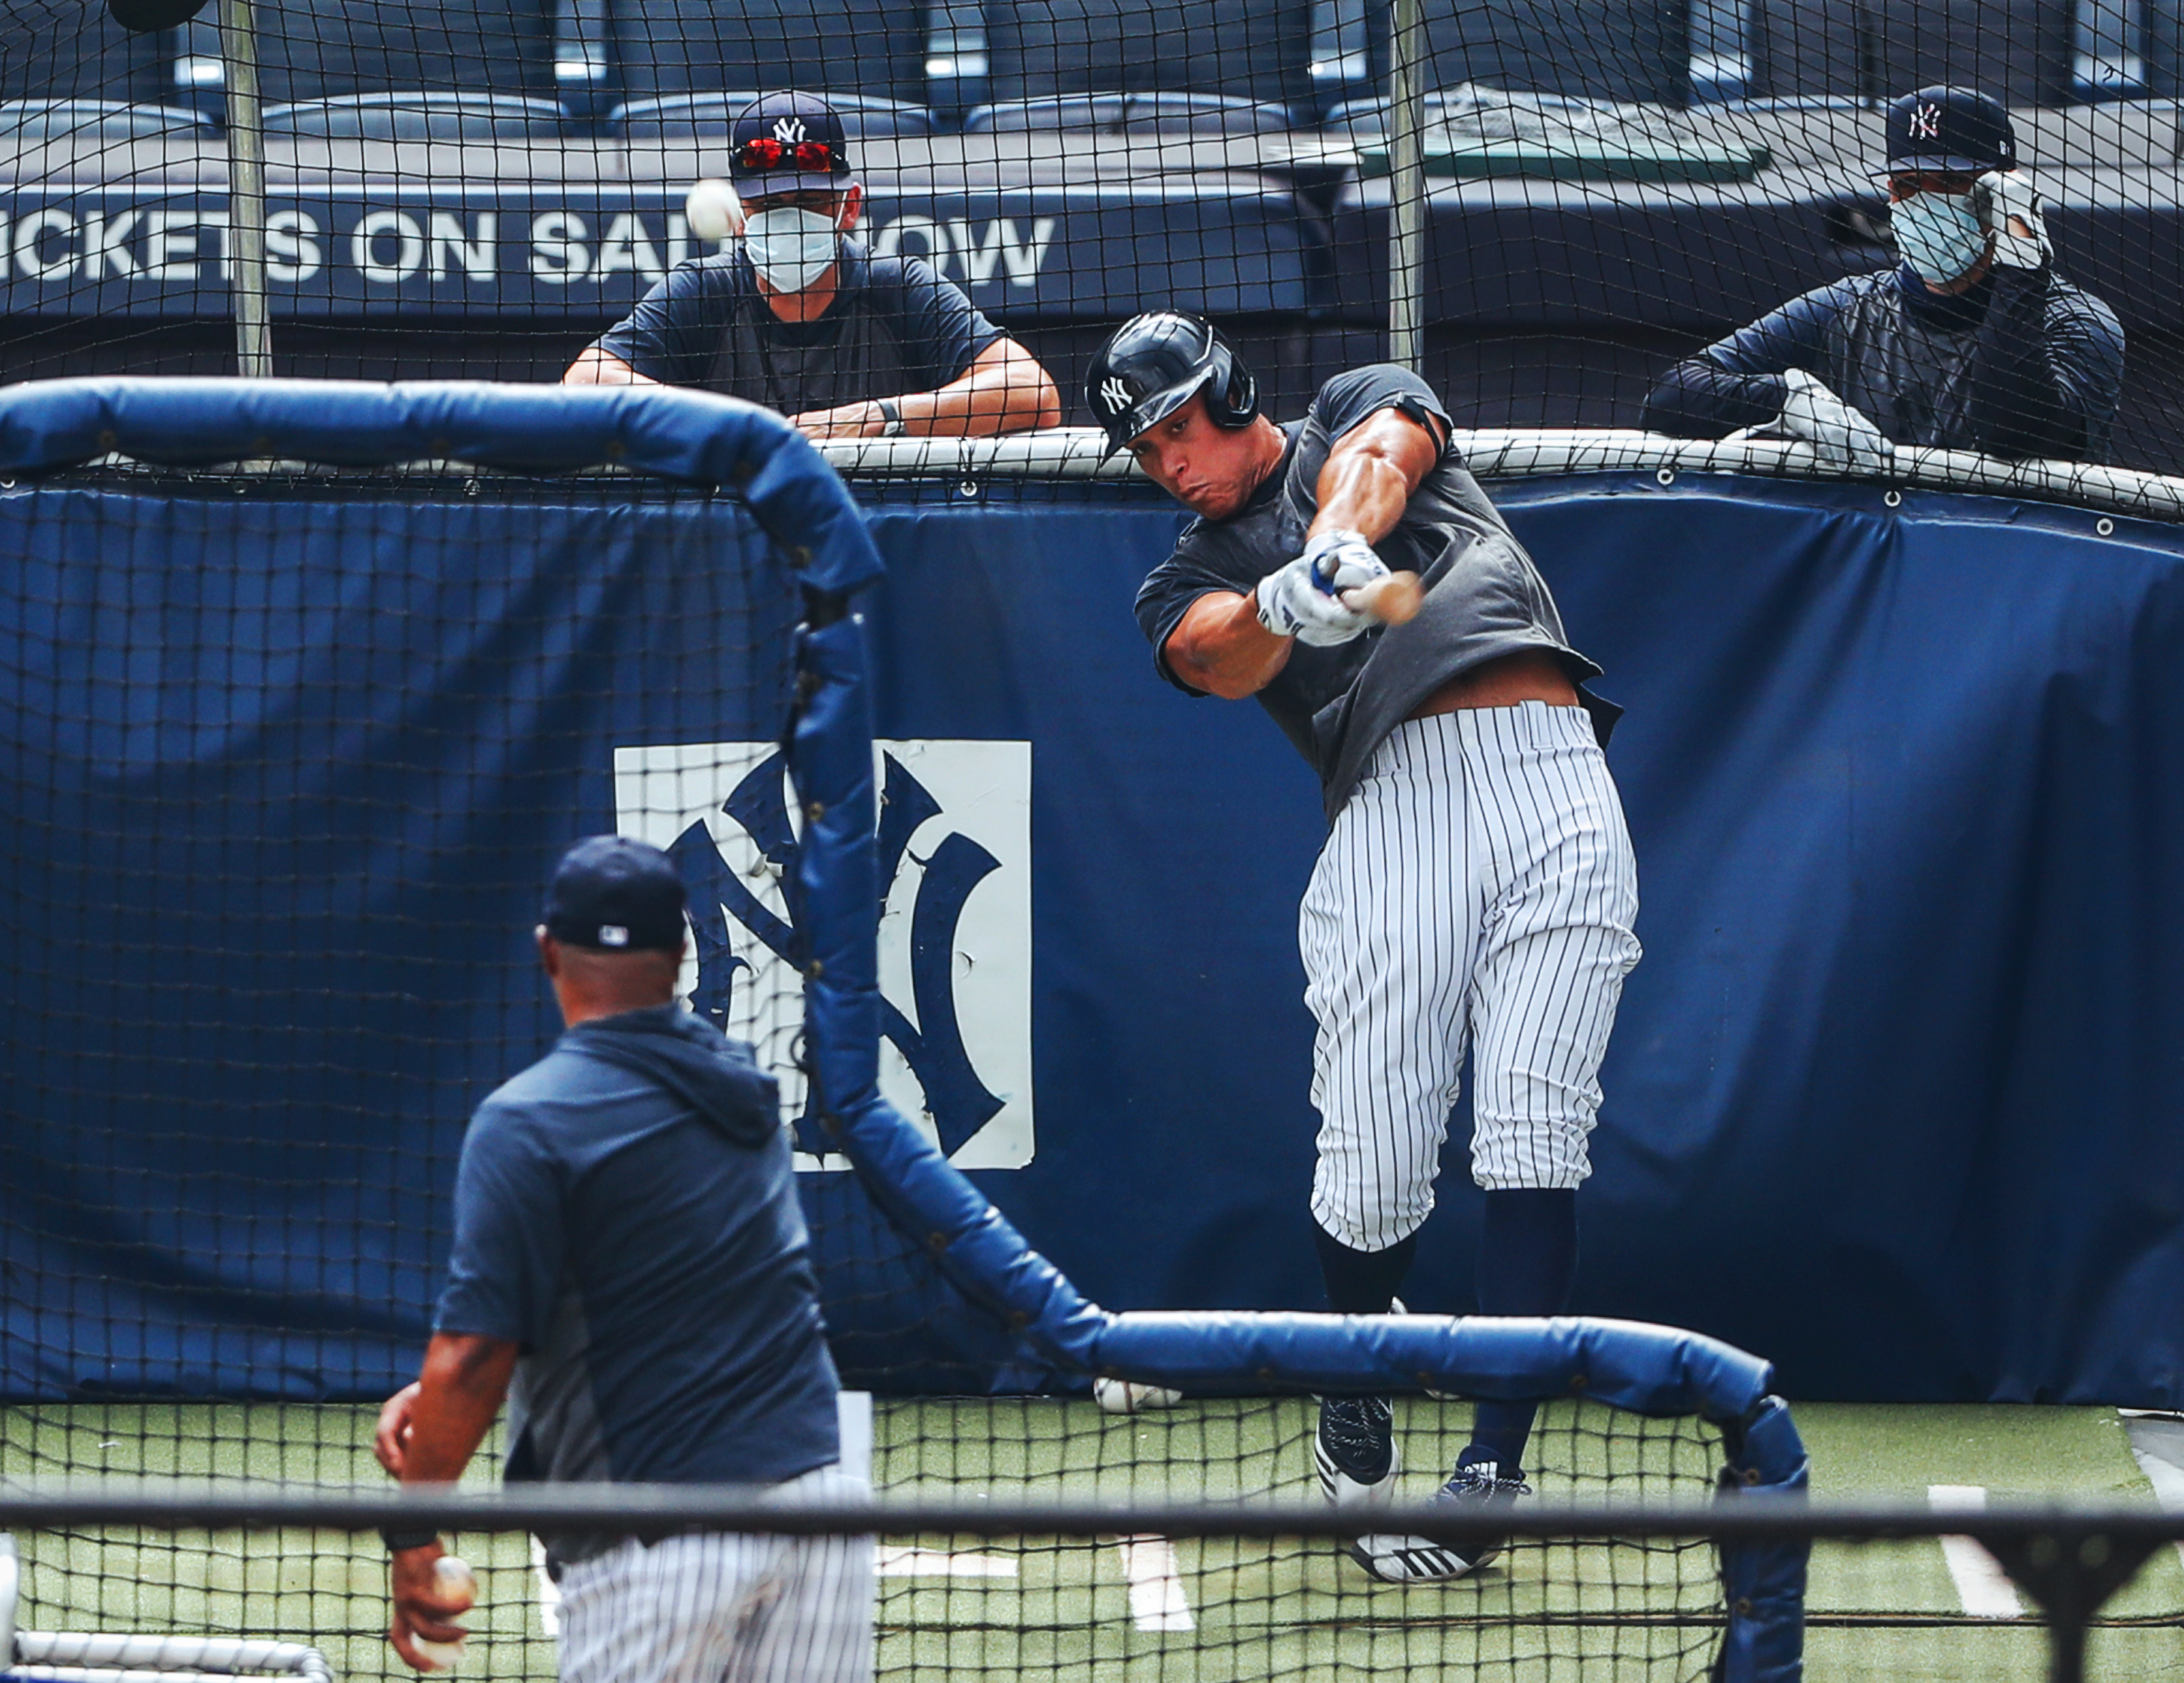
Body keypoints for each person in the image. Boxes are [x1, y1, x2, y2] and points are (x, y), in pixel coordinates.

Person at [1095, 313, 1642, 1584]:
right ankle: (1355, 1371)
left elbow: (1389, 447)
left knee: (1534, 1132)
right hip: (1393, 809)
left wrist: (1337, 538)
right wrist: (1287, 600)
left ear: (1227, 392)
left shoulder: (1352, 404)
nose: (1172, 460)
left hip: (1551, 777)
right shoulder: (1180, 574)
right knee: (1376, 1170)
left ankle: (1492, 1474)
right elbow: (1214, 659)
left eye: (1181, 425)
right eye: (1147, 446)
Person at [370, 836, 871, 1681]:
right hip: (820, 1502)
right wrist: (477, 1377)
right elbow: (677, 1279)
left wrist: (414, 1533)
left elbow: (474, 1354)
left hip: (656, 1535)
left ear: (544, 952)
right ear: (681, 955)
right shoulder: (738, 1084)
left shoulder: (525, 1121)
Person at [1642, 87, 2123, 465]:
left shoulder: (2077, 322)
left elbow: (2014, 436)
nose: (1926, 203)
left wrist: (2022, 270)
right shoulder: (1849, 307)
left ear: (2002, 191)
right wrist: (1783, 399)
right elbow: (1672, 394)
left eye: (1953, 183)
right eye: (1908, 187)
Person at [561, 91, 1060, 441]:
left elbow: (1032, 392)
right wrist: (723, 424)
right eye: (769, 205)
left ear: (850, 207)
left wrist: (878, 418)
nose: (789, 222)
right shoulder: (704, 291)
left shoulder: (900, 287)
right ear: (738, 213)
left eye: (809, 201)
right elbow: (583, 385)